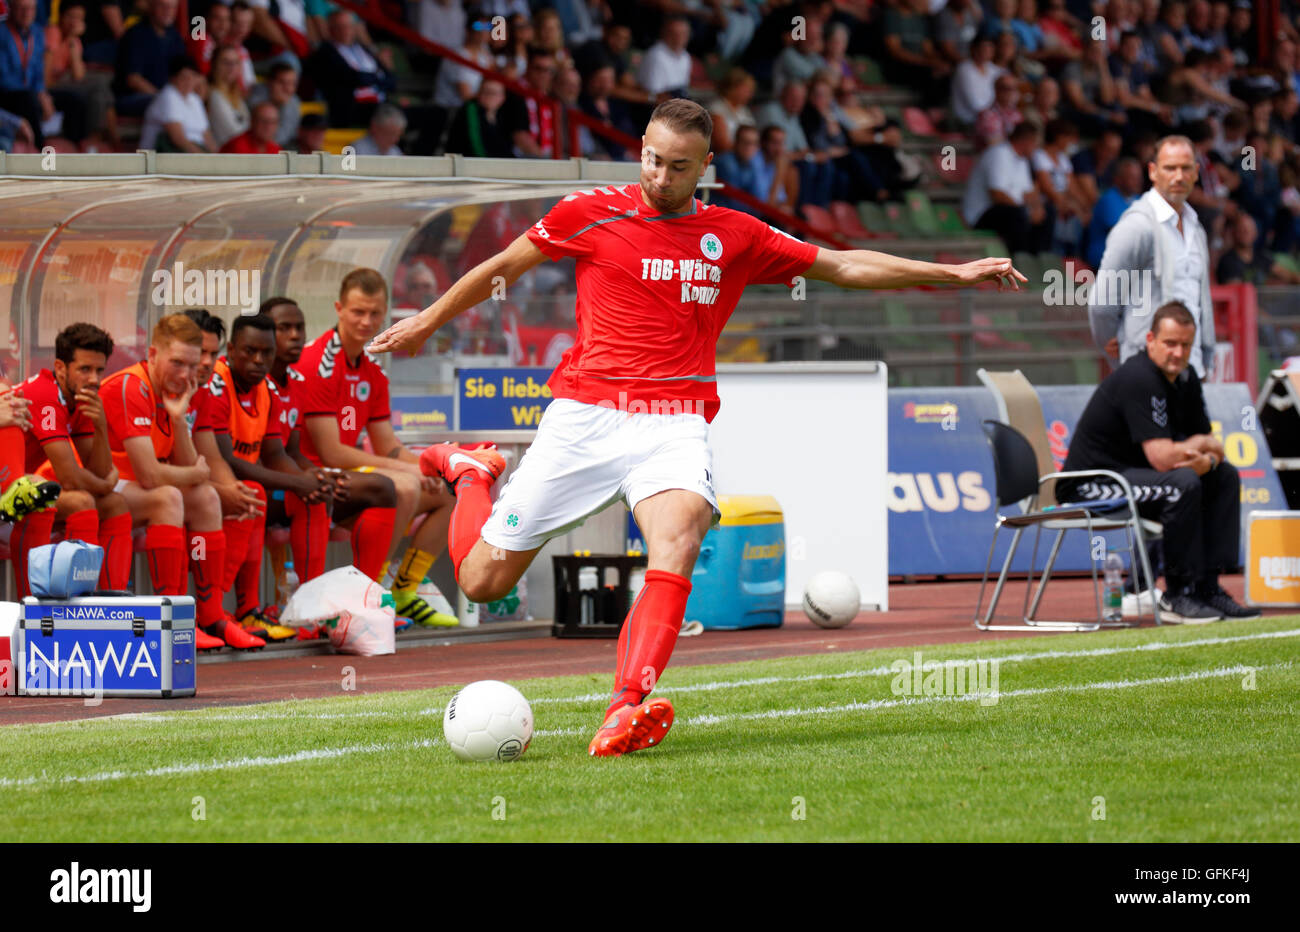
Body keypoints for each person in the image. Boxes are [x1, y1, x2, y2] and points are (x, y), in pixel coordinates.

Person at [367, 98, 1025, 757]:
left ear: (705, 167)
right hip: (585, 418)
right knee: (482, 579)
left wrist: (951, 272)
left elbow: (841, 263)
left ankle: (624, 706)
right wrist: (427, 320)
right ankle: (469, 470)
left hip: (673, 422)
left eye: (678, 167)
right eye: (651, 159)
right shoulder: (592, 212)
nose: (659, 176)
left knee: (679, 535)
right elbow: (503, 267)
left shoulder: (735, 234)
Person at [1059, 301, 1258, 623]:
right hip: (1091, 485)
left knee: (1224, 476)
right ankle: (1178, 594)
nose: (1177, 353)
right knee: (1182, 484)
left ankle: (1209, 587)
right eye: (1170, 343)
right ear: (1150, 339)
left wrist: (1204, 458)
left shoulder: (1186, 376)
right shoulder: (1138, 377)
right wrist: (1199, 449)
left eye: (1185, 345)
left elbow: (1213, 450)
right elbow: (1164, 458)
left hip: (1137, 478)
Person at [296, 271, 458, 627]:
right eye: (357, 312)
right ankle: (368, 596)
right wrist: (407, 473)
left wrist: (429, 468)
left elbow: (387, 445)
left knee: (447, 490)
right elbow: (331, 453)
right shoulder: (319, 363)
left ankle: (401, 593)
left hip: (354, 481)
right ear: (338, 308)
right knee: (402, 486)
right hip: (313, 480)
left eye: (374, 313)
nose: (366, 321)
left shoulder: (372, 369)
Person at [98, 314, 259, 650]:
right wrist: (196, 475)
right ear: (153, 354)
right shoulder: (132, 386)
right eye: (177, 363)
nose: (187, 373)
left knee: (205, 499)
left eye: (192, 363)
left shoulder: (186, 388)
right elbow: (151, 474)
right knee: (168, 497)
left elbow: (188, 466)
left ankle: (211, 615)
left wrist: (178, 416)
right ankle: (170, 619)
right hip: (99, 486)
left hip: (133, 488)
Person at [206, 314, 333, 640]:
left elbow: (276, 454)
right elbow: (227, 461)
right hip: (210, 482)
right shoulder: (216, 382)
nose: (259, 360)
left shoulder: (266, 389)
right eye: (249, 351)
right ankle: (216, 613)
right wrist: (297, 481)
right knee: (253, 493)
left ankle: (308, 611)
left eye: (266, 353)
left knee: (312, 498)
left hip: (244, 484)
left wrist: (311, 480)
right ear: (232, 350)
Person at [262, 296, 398, 594]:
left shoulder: (295, 381)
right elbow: (268, 455)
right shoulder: (252, 382)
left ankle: (371, 596)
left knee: (385, 488)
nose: (296, 335)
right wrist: (310, 478)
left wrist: (315, 475)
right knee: (315, 493)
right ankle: (297, 607)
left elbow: (293, 451)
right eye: (284, 328)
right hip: (257, 486)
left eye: (299, 327)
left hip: (287, 482)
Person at [11, 323, 132, 599]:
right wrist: (104, 483)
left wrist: (100, 426)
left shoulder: (79, 398)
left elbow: (97, 469)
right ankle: (77, 608)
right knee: (82, 502)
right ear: (61, 368)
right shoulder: (45, 394)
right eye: (84, 369)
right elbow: (71, 479)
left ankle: (113, 601)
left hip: (20, 489)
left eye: (100, 370)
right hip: (7, 493)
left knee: (115, 504)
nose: (94, 379)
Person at [1089, 134, 1216, 378]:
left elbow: (1202, 300)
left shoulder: (1196, 229)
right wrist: (1121, 350)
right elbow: (1102, 304)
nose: (1178, 176)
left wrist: (1206, 356)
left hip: (1193, 370)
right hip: (1146, 370)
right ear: (1153, 171)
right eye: (1170, 168)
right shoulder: (1137, 226)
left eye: (1185, 168)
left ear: (1196, 172)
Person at [962, 120, 1049, 254]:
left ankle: (1037, 259)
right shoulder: (998, 154)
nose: (1036, 147)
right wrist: (1027, 212)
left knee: (1048, 211)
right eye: (1035, 143)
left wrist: (1037, 208)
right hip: (980, 215)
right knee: (1017, 214)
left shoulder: (1023, 160)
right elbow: (998, 195)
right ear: (1025, 141)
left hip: (1010, 211)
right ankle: (1019, 259)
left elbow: (1029, 193)